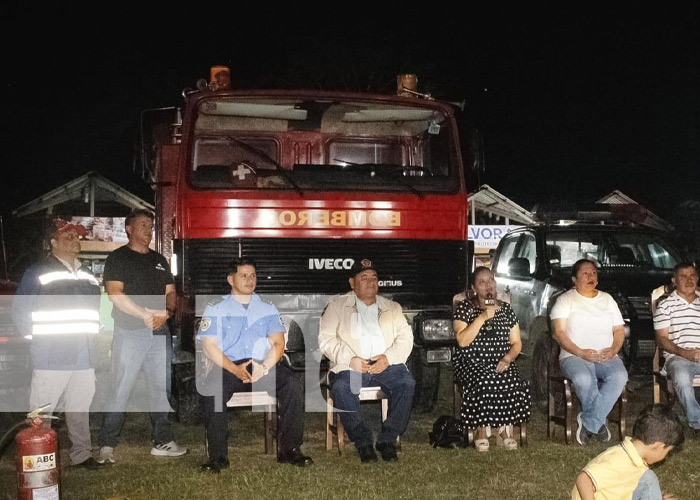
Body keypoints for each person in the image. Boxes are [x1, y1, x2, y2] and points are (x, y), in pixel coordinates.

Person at [197, 257, 312, 472]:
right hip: (229, 366)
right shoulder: (216, 308)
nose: (250, 280)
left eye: (253, 275)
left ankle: (290, 451)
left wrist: (265, 367)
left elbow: (279, 342)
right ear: (230, 279)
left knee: (293, 386)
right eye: (244, 275)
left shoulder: (267, 308)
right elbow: (209, 346)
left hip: (263, 365)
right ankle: (218, 458)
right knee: (212, 391)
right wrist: (234, 369)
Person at [97, 209, 186, 463]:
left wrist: (167, 311)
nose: (149, 230)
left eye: (151, 225)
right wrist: (144, 314)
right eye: (143, 224)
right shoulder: (118, 258)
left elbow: (171, 293)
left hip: (159, 333)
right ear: (129, 228)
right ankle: (106, 445)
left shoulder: (159, 260)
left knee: (161, 388)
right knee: (120, 388)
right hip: (129, 332)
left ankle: (163, 440)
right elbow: (115, 293)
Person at [12, 219, 102, 469]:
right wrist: (39, 342)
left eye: (77, 237)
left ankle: (82, 454)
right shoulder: (38, 272)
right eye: (68, 237)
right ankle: (39, 456)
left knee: (79, 407)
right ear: (53, 242)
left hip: (83, 354)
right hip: (51, 355)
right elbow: (20, 312)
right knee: (42, 410)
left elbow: (96, 313)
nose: (75, 240)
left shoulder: (87, 276)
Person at [318, 258, 415, 463]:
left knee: (407, 383)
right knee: (342, 388)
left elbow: (406, 338)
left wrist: (388, 358)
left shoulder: (392, 307)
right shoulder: (336, 307)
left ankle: (387, 439)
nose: (371, 282)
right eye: (364, 278)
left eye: (374, 278)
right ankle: (363, 442)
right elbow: (325, 340)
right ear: (352, 283)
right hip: (351, 367)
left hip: (385, 365)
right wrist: (349, 358)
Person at [452, 266, 531, 452]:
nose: (488, 286)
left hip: (501, 358)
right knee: (484, 379)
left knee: (510, 378)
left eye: (491, 281)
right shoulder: (465, 308)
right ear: (474, 288)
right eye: (482, 282)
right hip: (471, 361)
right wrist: (482, 317)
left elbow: (517, 343)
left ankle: (505, 430)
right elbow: (462, 341)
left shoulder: (506, 310)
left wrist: (508, 358)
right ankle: (482, 430)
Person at [551, 258, 628, 446]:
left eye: (593, 272)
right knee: (585, 378)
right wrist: (580, 352)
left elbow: (619, 330)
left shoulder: (607, 299)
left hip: (606, 354)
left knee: (620, 376)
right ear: (574, 280)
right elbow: (559, 333)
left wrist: (613, 349)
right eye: (585, 273)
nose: (590, 276)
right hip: (574, 355)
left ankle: (589, 422)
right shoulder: (565, 300)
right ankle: (598, 423)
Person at [572, 404, 685, 500]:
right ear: (659, 446)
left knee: (648, 479)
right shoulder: (619, 461)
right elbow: (583, 479)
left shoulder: (634, 455)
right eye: (667, 452)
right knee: (648, 479)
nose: (665, 457)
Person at [653, 262, 700, 433]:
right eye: (683, 276)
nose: (689, 280)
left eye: (693, 276)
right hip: (678, 357)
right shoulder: (666, 306)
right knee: (681, 377)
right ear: (674, 281)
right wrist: (685, 353)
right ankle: (697, 422)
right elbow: (661, 340)